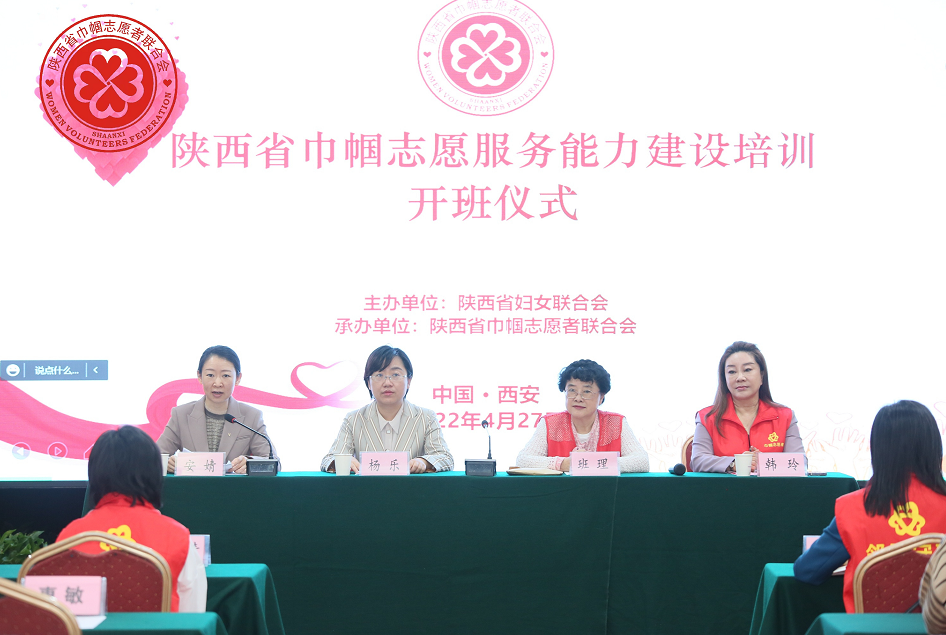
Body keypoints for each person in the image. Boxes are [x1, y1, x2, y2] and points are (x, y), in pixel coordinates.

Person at [794, 400, 946, 612]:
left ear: (878, 450)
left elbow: (807, 571)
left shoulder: (853, 507)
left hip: (869, 625)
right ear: (934, 447)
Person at [57, 426, 207, 612]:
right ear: (153, 473)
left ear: (94, 473)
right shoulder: (177, 537)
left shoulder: (69, 536)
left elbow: (57, 613)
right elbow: (193, 618)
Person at [320, 345, 453, 473]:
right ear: (368, 383)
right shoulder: (353, 419)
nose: (387, 383)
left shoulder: (426, 417)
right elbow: (328, 459)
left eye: (395, 375)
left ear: (409, 381)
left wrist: (424, 461)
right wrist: (343, 461)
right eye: (379, 375)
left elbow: (445, 457)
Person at [157, 345, 278, 474]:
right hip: (192, 486)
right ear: (199, 376)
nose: (218, 383)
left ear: (238, 378)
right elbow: (153, 457)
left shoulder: (252, 416)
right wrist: (167, 463)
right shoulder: (181, 415)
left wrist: (249, 463)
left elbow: (274, 463)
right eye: (210, 375)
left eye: (225, 375)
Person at [516, 359, 649, 473]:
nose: (578, 398)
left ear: (601, 397)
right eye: (572, 390)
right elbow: (523, 460)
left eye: (586, 391)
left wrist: (592, 462)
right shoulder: (550, 423)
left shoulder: (615, 422)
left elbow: (642, 461)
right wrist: (564, 464)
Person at [691, 341, 804, 473]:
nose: (740, 377)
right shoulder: (707, 417)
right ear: (724, 379)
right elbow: (698, 460)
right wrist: (736, 463)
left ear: (762, 375)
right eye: (732, 372)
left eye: (748, 370)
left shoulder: (784, 416)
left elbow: (800, 462)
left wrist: (764, 462)